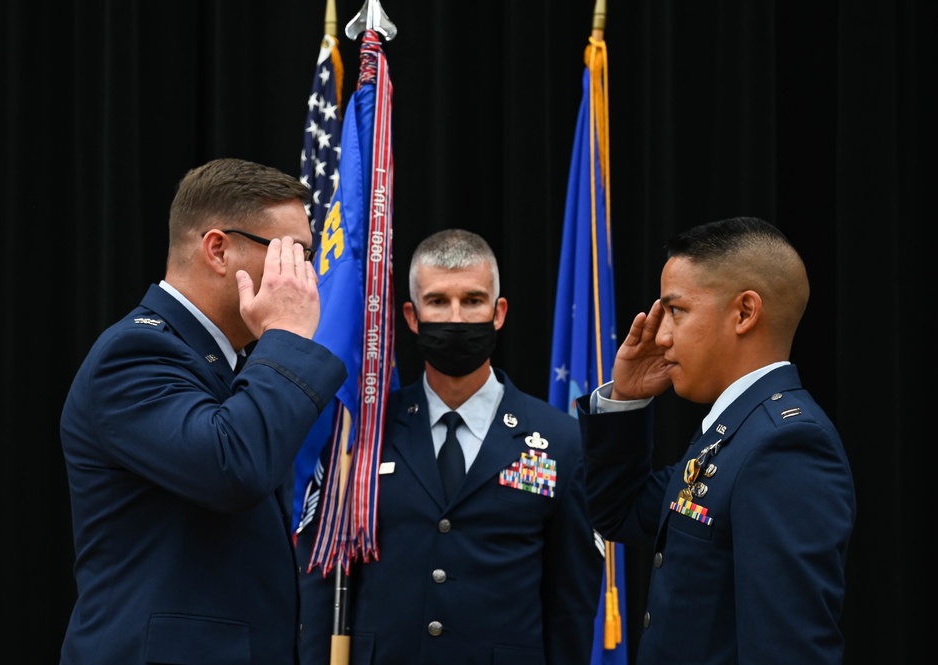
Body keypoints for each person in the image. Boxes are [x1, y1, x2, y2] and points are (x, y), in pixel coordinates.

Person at [59, 157, 348, 664]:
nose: (308, 276)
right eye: (294, 254)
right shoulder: (134, 353)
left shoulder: (231, 361)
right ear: (218, 249)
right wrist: (284, 333)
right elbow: (234, 466)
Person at [296, 229, 601, 664]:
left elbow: (571, 603)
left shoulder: (561, 442)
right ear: (412, 315)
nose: (456, 317)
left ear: (499, 313)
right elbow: (319, 575)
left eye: (473, 300)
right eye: (438, 301)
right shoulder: (362, 435)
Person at [577, 217, 855, 664]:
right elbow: (621, 513)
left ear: (744, 312)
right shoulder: (737, 430)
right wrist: (624, 400)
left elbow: (786, 650)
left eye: (676, 311)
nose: (661, 336)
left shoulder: (785, 446)